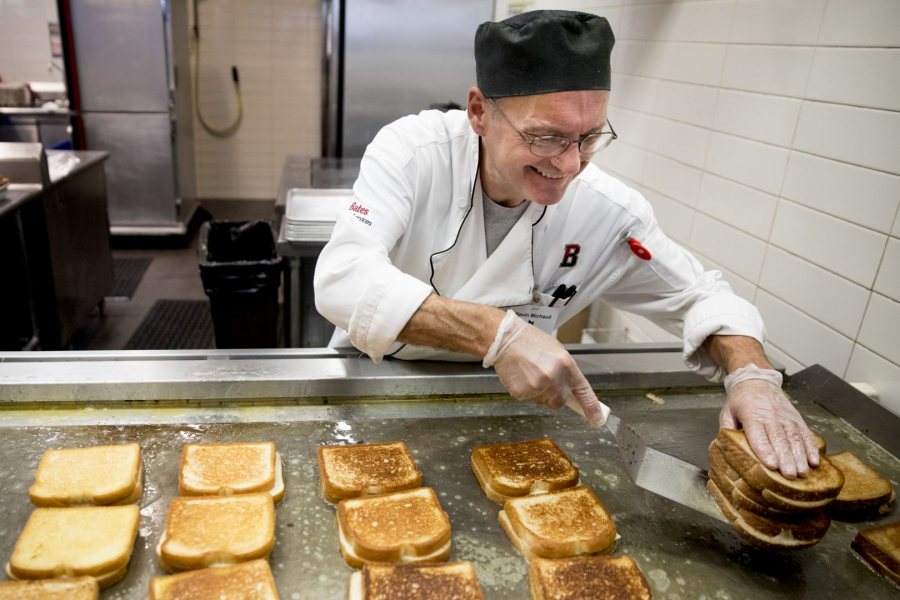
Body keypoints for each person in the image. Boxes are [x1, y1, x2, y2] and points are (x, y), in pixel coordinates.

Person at [314, 10, 819, 479]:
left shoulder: (606, 211)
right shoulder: (415, 153)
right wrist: (501, 336)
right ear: (478, 112)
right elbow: (343, 279)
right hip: (377, 389)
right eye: (547, 137)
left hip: (514, 416)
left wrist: (752, 375)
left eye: (590, 137)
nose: (571, 164)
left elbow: (699, 296)